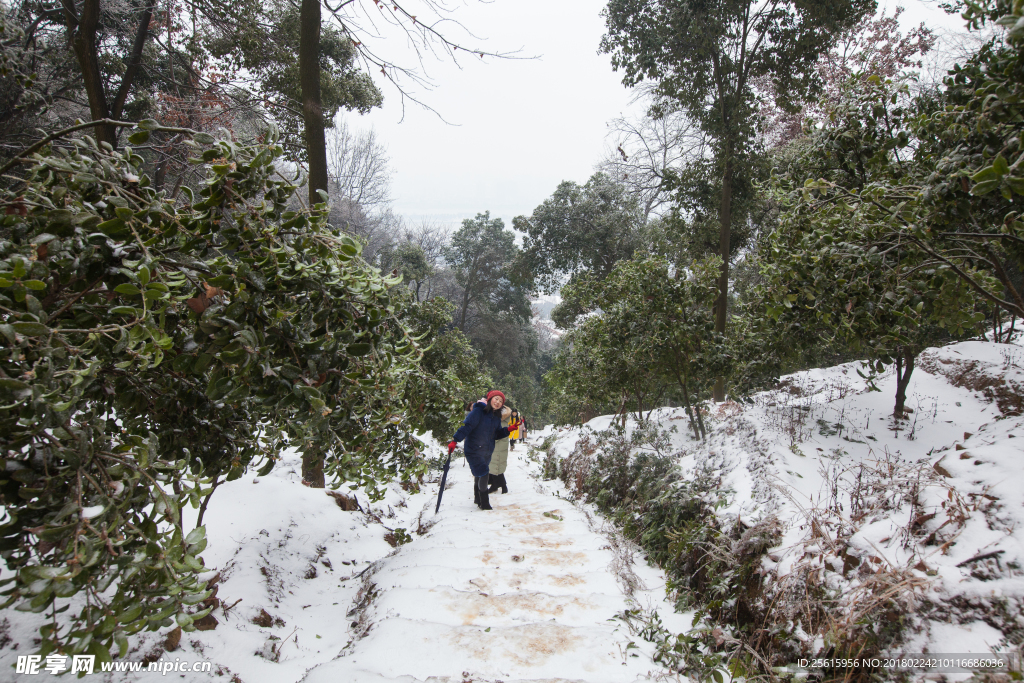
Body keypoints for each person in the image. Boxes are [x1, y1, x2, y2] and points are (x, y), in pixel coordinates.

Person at [448, 390, 511, 510]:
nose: (497, 402)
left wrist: (509, 429)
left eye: (500, 401)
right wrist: (455, 440)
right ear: (490, 399)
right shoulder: (479, 411)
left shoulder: (496, 417)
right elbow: (467, 426)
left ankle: (477, 499)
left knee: (479, 475)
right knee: (484, 473)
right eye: (496, 399)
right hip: (474, 449)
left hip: (487, 450)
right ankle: (485, 503)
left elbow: (496, 435)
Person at [487, 405, 512, 495]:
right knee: (494, 467)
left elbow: (496, 434)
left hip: (498, 446)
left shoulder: (500, 421)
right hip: (498, 446)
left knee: (496, 467)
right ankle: (495, 485)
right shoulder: (501, 421)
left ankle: (503, 486)